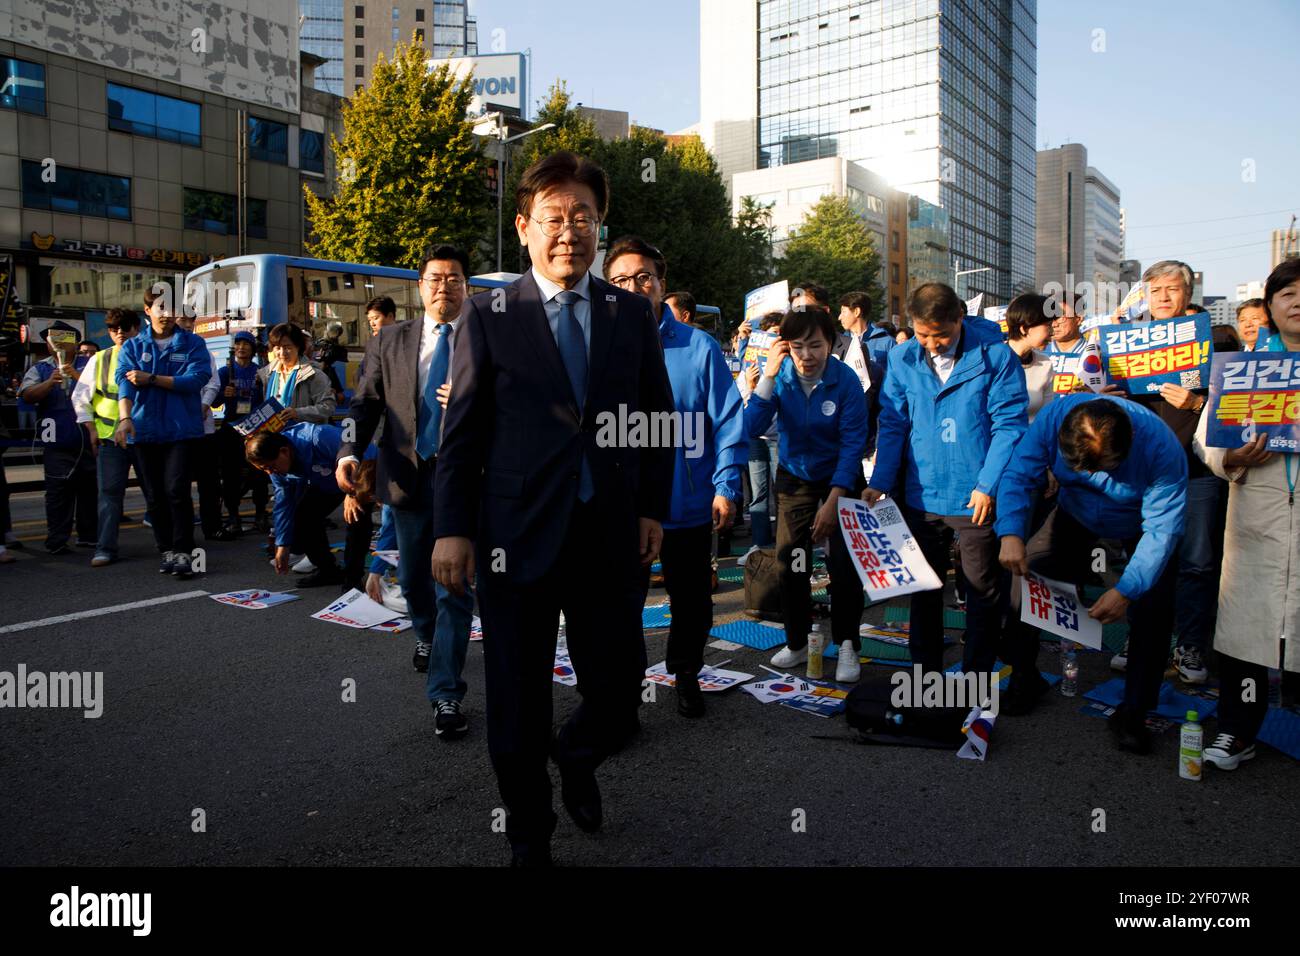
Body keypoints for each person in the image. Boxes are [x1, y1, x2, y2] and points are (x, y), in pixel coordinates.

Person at [430, 150, 675, 867]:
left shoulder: (630, 313)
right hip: (513, 538)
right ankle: (530, 835)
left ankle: (576, 757)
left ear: (599, 226)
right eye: (553, 218)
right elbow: (462, 433)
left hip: (607, 535)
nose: (569, 231)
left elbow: (654, 419)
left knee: (620, 691)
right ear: (524, 228)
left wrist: (650, 507)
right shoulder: (488, 313)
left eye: (583, 217)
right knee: (515, 702)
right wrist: (451, 529)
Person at [604, 236, 746, 717]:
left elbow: (728, 420)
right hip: (620, 506)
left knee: (692, 602)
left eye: (643, 277)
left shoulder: (699, 346)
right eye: (621, 280)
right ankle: (626, 691)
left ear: (661, 284)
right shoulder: (598, 343)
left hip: (686, 505)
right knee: (623, 604)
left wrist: (725, 485)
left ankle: (686, 673)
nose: (634, 286)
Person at [337, 246, 476, 727]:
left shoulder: (487, 338)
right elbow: (365, 403)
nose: (445, 286)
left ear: (467, 287)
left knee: (454, 584)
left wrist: (470, 398)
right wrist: (350, 452)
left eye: (455, 278)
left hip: (465, 477)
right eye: (436, 278)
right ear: (420, 287)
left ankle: (445, 693)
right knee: (416, 580)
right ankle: (426, 632)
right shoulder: (391, 340)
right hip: (406, 475)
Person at [864, 283, 1029, 688]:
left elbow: (1009, 426)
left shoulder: (995, 356)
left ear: (960, 318)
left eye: (941, 335)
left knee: (980, 592)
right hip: (920, 492)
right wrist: (882, 480)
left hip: (974, 494)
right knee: (923, 588)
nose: (933, 344)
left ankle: (975, 678)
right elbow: (894, 423)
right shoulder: (902, 359)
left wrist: (988, 484)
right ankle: (925, 675)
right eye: (923, 335)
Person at [998, 396, 1187, 746]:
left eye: (1106, 467)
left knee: (1153, 607)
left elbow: (1162, 531)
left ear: (1129, 441)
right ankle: (1025, 677)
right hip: (1074, 511)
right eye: (1082, 467)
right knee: (1026, 580)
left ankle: (1135, 711)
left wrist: (1128, 588)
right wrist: (1010, 532)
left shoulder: (1162, 449)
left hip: (1140, 524)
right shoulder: (1055, 415)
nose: (1095, 477)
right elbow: (1019, 473)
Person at [1193, 258, 1300, 769]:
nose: (1297, 301)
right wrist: (1230, 458)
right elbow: (1207, 439)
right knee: (1247, 636)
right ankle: (1238, 730)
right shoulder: (1243, 371)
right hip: (1255, 517)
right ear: (1272, 307)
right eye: (1287, 293)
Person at [744, 307, 872, 681]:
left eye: (815, 345)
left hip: (841, 477)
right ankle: (797, 642)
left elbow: (853, 446)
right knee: (792, 561)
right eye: (797, 346)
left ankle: (848, 645)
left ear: (831, 344)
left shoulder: (846, 381)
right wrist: (767, 376)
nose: (807, 356)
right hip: (795, 477)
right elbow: (751, 426)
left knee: (844, 567)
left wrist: (833, 503)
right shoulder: (780, 376)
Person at [1121, 260, 1219, 684]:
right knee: (1141, 557)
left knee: (1196, 563)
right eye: (1154, 289)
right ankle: (1140, 638)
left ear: (1189, 292)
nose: (1162, 296)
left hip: (1197, 469)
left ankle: (1191, 645)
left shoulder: (1212, 344)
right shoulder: (1125, 343)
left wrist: (1197, 405)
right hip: (1142, 470)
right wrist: (1109, 394)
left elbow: (1234, 411)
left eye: (1171, 289)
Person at [114, 286, 213, 578]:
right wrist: (124, 419)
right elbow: (125, 383)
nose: (167, 315)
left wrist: (153, 379)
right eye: (160, 308)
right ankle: (166, 548)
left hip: (181, 430)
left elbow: (196, 379)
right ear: (148, 311)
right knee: (155, 496)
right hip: (144, 431)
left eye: (172, 309)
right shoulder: (133, 347)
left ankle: (184, 550)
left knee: (176, 490)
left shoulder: (193, 343)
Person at [247, 423, 371, 587]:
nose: (270, 473)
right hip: (327, 483)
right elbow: (284, 505)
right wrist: (283, 545)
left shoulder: (321, 438)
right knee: (303, 517)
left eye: (270, 467)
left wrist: (354, 492)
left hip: (361, 473)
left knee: (356, 518)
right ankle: (328, 571)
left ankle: (353, 579)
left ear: (284, 451)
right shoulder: (277, 469)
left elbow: (363, 456)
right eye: (264, 470)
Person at [18, 322, 97, 554]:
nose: (57, 344)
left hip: (87, 437)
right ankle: (57, 539)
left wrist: (76, 376)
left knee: (90, 491)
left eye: (63, 339)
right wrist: (48, 383)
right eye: (52, 340)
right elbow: (27, 395)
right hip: (56, 441)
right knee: (57, 493)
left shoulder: (89, 364)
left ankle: (90, 536)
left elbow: (100, 390)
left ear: (74, 342)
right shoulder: (40, 368)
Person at [72, 307, 141, 566]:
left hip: (146, 437)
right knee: (110, 494)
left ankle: (168, 545)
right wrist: (90, 428)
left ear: (137, 328)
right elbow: (80, 396)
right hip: (110, 438)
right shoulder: (99, 359)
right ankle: (105, 548)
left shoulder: (149, 355)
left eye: (125, 327)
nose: (120, 332)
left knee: (158, 493)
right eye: (114, 328)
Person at [211, 331, 268, 536]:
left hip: (254, 427)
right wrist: (223, 394)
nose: (242, 347)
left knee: (260, 472)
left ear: (253, 349)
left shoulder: (260, 372)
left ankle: (261, 514)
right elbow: (214, 401)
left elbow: (266, 399)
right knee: (230, 474)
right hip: (232, 426)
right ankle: (233, 516)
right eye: (238, 344)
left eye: (246, 344)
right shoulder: (225, 371)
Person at [737, 311, 784, 561]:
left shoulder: (787, 362)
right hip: (756, 438)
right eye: (769, 334)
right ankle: (760, 545)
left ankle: (787, 545)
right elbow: (745, 401)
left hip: (779, 437)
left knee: (784, 493)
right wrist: (754, 386)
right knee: (759, 494)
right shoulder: (750, 362)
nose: (773, 339)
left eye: (777, 333)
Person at [175, 312, 225, 541]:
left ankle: (212, 527)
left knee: (209, 483)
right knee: (178, 484)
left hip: (203, 428)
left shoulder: (201, 348)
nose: (186, 325)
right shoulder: (165, 349)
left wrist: (204, 405)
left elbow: (213, 382)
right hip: (175, 429)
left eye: (190, 321)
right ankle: (180, 535)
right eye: (181, 320)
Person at [256, 323, 336, 425]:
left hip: (302, 438)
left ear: (298, 347)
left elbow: (327, 407)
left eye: (287, 347)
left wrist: (297, 413)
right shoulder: (267, 374)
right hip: (274, 436)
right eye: (277, 348)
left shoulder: (313, 375)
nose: (282, 352)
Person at [1004, 293, 1056, 423]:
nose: (1052, 333)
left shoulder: (1044, 364)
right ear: (1025, 328)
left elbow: (1047, 415)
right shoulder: (992, 361)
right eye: (1048, 326)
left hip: (1032, 440)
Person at [838, 291, 896, 368]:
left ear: (856, 312)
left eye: (843, 311)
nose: (839, 317)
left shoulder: (887, 342)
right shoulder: (839, 343)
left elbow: (896, 375)